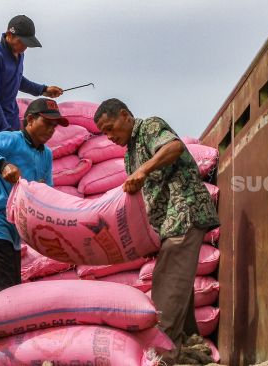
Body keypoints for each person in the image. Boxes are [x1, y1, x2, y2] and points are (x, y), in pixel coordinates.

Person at [93, 98, 220, 364]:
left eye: (110, 127)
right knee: (176, 283)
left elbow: (173, 147)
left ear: (126, 115)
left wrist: (143, 169)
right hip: (167, 226)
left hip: (184, 212)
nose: (109, 136)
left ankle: (163, 355)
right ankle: (190, 347)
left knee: (166, 286)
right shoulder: (129, 154)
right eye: (103, 132)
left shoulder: (149, 127)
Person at [0, 98, 68, 299]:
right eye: (46, 123)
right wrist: (2, 165)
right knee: (1, 290)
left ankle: (2, 328)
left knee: (12, 290)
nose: (50, 130)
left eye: (54, 126)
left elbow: (45, 189)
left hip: (14, 230)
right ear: (30, 119)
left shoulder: (46, 154)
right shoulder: (11, 140)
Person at [0, 15, 63, 187]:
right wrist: (6, 131)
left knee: (16, 179)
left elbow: (18, 80)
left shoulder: (18, 54)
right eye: (22, 42)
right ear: (9, 35)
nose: (24, 47)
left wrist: (43, 90)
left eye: (27, 44)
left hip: (10, 122)